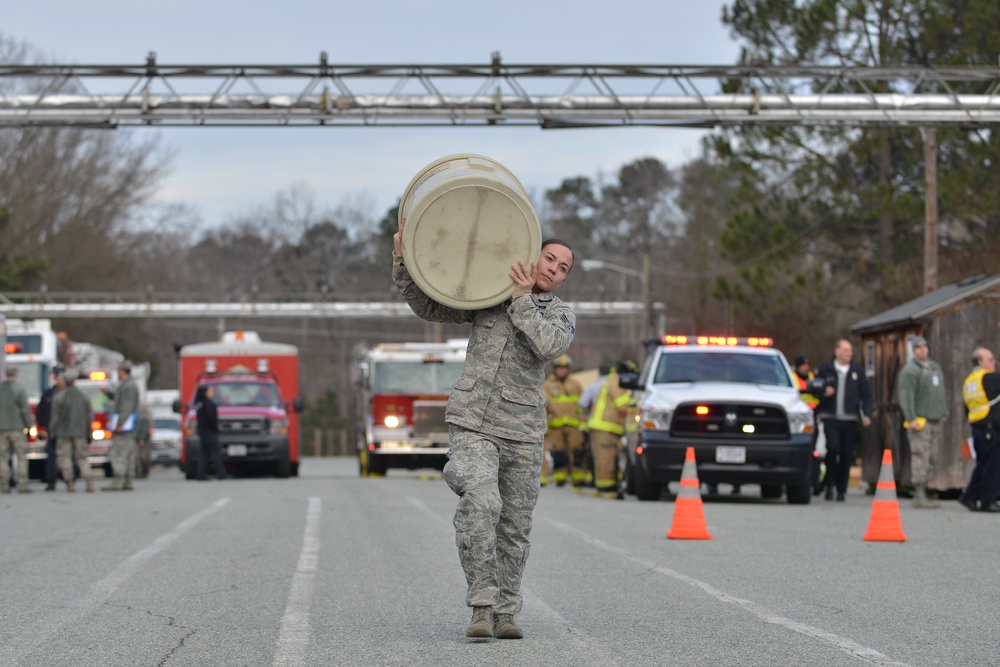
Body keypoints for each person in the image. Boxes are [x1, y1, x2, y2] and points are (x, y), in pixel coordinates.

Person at [392, 220, 575, 641]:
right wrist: (402, 259)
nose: (554, 269)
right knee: (481, 502)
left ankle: (507, 612)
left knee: (514, 527)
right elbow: (430, 306)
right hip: (473, 422)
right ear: (533, 254)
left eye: (563, 268)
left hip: (524, 431)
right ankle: (481, 602)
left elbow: (548, 345)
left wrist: (523, 300)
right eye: (549, 258)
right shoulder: (489, 295)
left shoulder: (561, 314)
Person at [815, 339, 873, 502]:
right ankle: (829, 486)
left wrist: (867, 414)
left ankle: (842, 489)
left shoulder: (857, 372)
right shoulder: (825, 368)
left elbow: (867, 395)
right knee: (832, 449)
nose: (849, 354)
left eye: (850, 351)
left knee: (847, 454)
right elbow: (814, 388)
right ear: (837, 351)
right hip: (830, 417)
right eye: (846, 350)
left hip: (850, 418)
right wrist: (823, 391)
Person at [896, 336, 949, 508]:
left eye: (925, 346)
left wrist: (943, 412)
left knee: (932, 457)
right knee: (920, 456)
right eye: (918, 347)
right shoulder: (910, 371)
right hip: (920, 420)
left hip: (935, 418)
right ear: (914, 350)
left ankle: (926, 489)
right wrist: (910, 417)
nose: (923, 350)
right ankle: (918, 492)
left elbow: (940, 392)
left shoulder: (935, 368)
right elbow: (906, 396)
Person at [958, 347, 1000, 512]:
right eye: (990, 359)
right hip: (990, 429)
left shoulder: (969, 381)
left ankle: (969, 496)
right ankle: (987, 501)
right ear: (980, 362)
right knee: (993, 466)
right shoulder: (989, 378)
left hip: (977, 429)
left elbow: (967, 409)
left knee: (983, 464)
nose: (994, 362)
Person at [586, 361, 633, 500]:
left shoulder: (611, 380)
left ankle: (604, 487)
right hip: (606, 427)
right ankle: (607, 488)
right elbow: (623, 407)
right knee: (606, 458)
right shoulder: (616, 382)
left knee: (603, 458)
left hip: (602, 426)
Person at [542, 354, 585, 488]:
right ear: (555, 369)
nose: (562, 371)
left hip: (574, 425)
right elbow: (544, 405)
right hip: (555, 425)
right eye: (559, 368)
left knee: (576, 451)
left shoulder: (575, 384)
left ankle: (578, 478)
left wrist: (583, 423)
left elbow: (582, 405)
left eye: (564, 368)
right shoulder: (548, 385)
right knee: (558, 452)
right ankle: (560, 478)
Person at [49, 370, 95, 492]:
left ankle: (69, 482)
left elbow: (55, 418)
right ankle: (88, 480)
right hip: (80, 432)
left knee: (65, 458)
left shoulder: (59, 398)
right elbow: (89, 416)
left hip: (63, 433)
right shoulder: (84, 397)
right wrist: (89, 432)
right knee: (82, 457)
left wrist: (52, 433)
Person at [104, 360, 140, 491]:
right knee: (129, 452)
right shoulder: (127, 385)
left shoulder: (128, 386)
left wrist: (119, 423)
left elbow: (127, 406)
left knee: (119, 452)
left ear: (122, 371)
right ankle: (128, 480)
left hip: (124, 426)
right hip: (128, 425)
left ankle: (118, 480)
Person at [792, 355, 824, 496]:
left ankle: (815, 483)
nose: (807, 367)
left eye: (808, 364)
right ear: (798, 366)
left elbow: (818, 397)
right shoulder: (792, 378)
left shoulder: (812, 377)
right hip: (796, 419)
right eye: (804, 365)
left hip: (811, 417)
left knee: (812, 451)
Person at [0, 366, 35, 493]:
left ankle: (4, 484)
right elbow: (25, 410)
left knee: (2, 457)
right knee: (21, 456)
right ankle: (22, 484)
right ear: (15, 374)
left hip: (2, 428)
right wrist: (29, 426)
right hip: (17, 428)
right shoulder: (19, 389)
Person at [35, 366, 63, 491]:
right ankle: (51, 481)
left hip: (66, 431)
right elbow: (40, 411)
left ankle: (70, 479)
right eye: (57, 377)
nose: (59, 380)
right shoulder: (48, 394)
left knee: (69, 456)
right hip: (51, 431)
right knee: (51, 457)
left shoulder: (70, 393)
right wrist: (44, 425)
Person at [195, 385, 229, 481]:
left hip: (202, 432)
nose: (212, 393)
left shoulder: (199, 404)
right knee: (216, 453)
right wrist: (215, 429)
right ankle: (221, 473)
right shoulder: (208, 404)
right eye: (210, 391)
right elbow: (211, 419)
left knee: (204, 454)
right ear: (206, 392)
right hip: (210, 432)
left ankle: (201, 474)